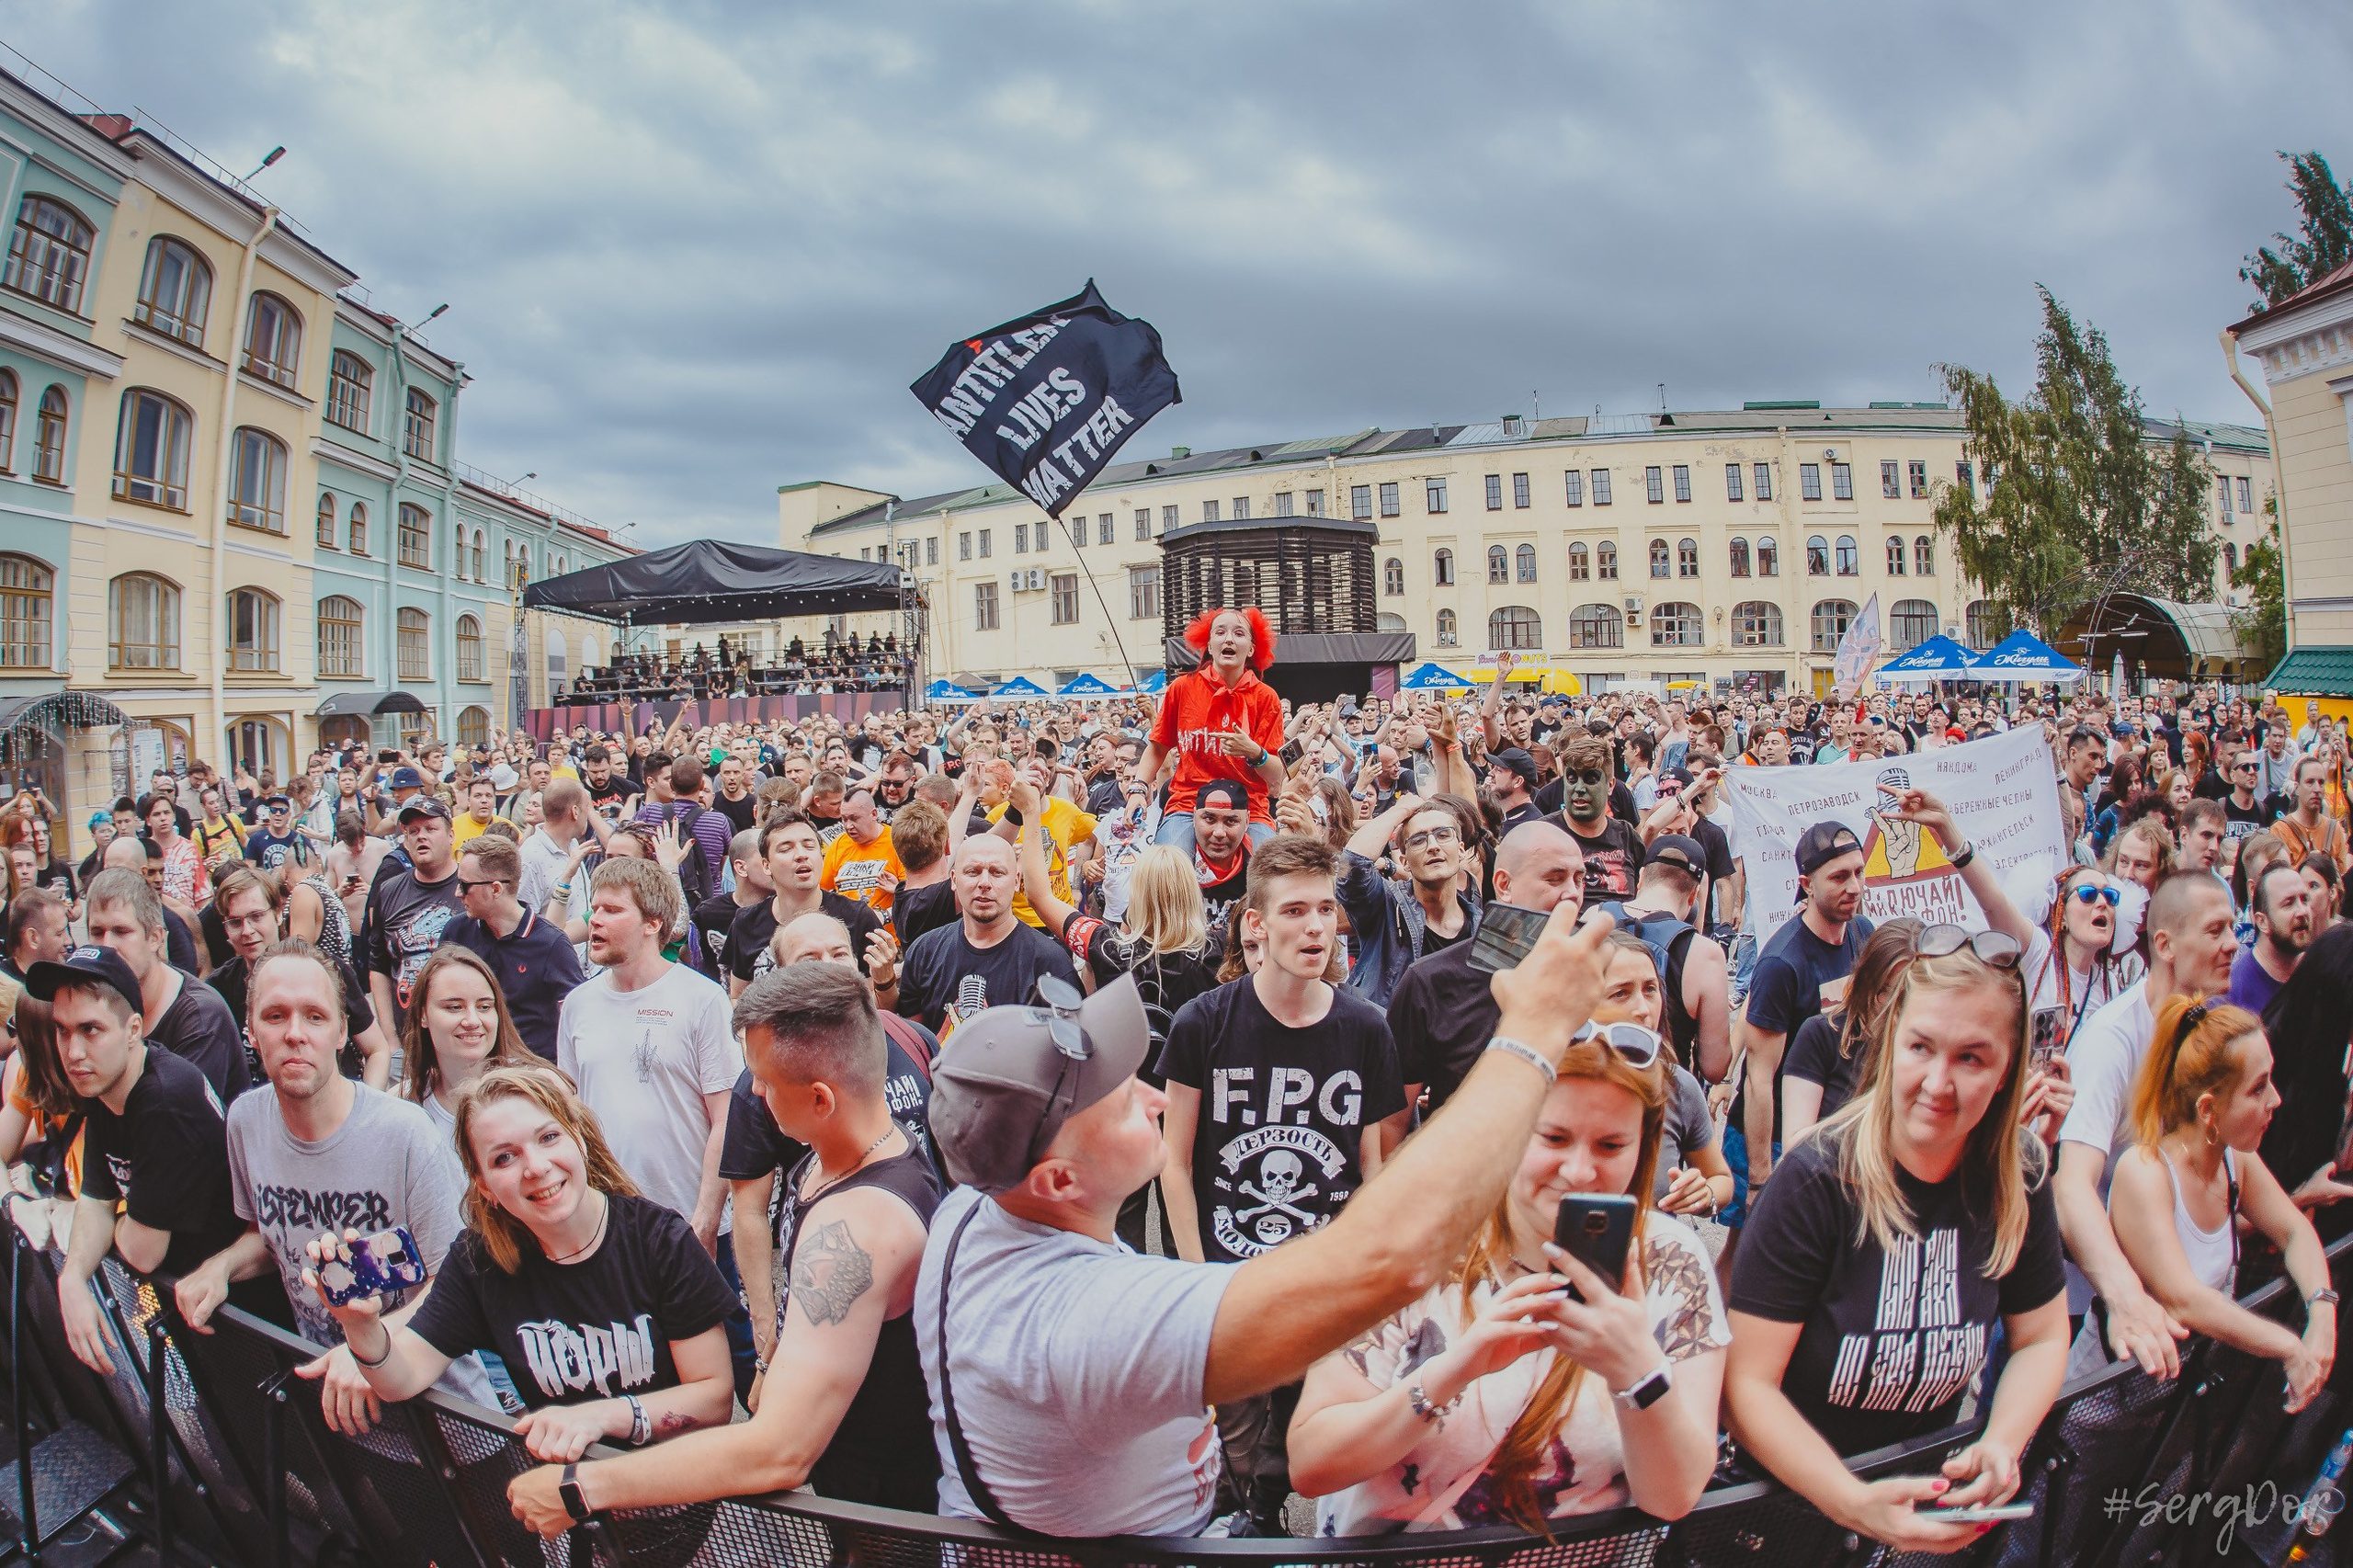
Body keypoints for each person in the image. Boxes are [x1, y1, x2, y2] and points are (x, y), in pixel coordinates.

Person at [912, 907, 1617, 1537]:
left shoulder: (974, 1203)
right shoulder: (1095, 1319)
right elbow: (1394, 1260)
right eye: (1125, 1102)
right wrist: (1533, 1033)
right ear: (1058, 1179)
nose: (1156, 1099)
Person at [506, 964, 942, 1536]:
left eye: (763, 1080)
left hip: (887, 1515)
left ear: (820, 1099)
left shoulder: (860, 1225)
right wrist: (774, 1360)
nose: (754, 1092)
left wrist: (582, 1489)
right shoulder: (838, 1153)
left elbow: (780, 1450)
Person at [1288, 1003, 1728, 1532]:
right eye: (1554, 1138)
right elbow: (1312, 1465)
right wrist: (1455, 1371)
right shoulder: (1414, 1243)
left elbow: (1673, 1498)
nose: (1580, 1171)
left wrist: (1636, 1371)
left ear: (1645, 1147)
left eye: (1612, 1145)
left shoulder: (1673, 1262)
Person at [1725, 923, 2069, 1554]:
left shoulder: (2018, 1174)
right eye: (1921, 1048)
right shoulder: (1816, 1181)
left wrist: (2001, 1442)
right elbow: (1744, 1386)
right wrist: (1850, 1501)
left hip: (1917, 1519)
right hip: (1783, 1525)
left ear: (2006, 1071)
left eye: (1972, 1057)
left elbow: (2042, 1336)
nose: (1939, 1083)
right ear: (1889, 1048)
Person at [1158, 833, 1409, 1529]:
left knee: (1300, 1431)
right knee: (1230, 1448)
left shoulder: (1366, 1029)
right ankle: (1246, 1520)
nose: (1315, 928)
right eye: (1295, 911)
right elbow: (1173, 1162)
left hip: (1324, 1276)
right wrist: (1194, 1274)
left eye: (1325, 910)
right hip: (1230, 1280)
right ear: (1257, 925)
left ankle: (1269, 1511)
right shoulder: (1202, 1023)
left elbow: (1372, 1165)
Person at [303, 1066, 737, 1464]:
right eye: (503, 1158)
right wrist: (360, 1327)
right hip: (574, 1510)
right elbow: (402, 1379)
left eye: (548, 1138)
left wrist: (602, 1418)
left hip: (688, 1500)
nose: (536, 1167)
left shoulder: (659, 1240)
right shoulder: (481, 1262)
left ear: (579, 1140)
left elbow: (714, 1398)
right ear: (484, 1186)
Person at [173, 938, 494, 1427]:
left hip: (442, 1417)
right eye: (275, 1016)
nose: (295, 1034)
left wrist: (371, 1348)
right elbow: (271, 1235)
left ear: (343, 1031)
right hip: (337, 1410)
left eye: (315, 1017)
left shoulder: (404, 1133)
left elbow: (454, 1280)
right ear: (251, 1032)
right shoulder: (245, 1121)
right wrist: (220, 1268)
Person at [2070, 997, 2335, 1400]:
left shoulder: (2236, 1159)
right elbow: (2185, 1300)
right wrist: (2289, 1347)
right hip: (2102, 1402)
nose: (2275, 1100)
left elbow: (2294, 1231)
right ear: (2208, 1109)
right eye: (2258, 1088)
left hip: (2173, 1402)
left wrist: (2322, 1309)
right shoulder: (2145, 1172)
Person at [36, 945, 278, 1375]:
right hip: (195, 1305)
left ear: (132, 1030)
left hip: (246, 1322)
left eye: (90, 1030)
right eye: (62, 1030)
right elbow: (96, 1199)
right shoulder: (104, 1082)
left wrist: (115, 1222)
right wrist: (72, 1279)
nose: (72, 1052)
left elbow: (143, 1252)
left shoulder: (164, 1099)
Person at [2056, 870, 2244, 1376]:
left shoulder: (2209, 1030)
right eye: (2215, 930)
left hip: (2171, 1302)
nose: (2232, 945)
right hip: (2090, 1303)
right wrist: (2124, 1296)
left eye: (2232, 929)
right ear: (2165, 944)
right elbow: (2072, 1183)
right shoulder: (2112, 1039)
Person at [1388, 822, 1585, 1121]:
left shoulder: (1601, 974)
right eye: (1555, 879)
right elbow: (1392, 1122)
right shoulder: (1430, 982)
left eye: (1580, 879)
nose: (1572, 893)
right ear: (1504, 885)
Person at [1729, 821, 1872, 1227]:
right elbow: (1758, 1078)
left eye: (1859, 873)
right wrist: (1759, 1178)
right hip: (1770, 1137)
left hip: (1832, 1129)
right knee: (1748, 1251)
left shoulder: (1862, 934)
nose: (1855, 887)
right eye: (1840, 877)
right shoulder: (1782, 963)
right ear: (1807, 884)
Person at [205, 865, 392, 1089]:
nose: (247, 930)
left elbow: (377, 1050)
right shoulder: (218, 989)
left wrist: (366, 1112)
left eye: (256, 916)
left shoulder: (327, 971)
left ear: (276, 914)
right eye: (235, 922)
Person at [84, 868, 248, 1101]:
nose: (107, 946)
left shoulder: (201, 1017)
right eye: (97, 932)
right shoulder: (97, 1001)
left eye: (121, 931)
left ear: (155, 938)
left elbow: (175, 1120)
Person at [1140, 607, 1287, 856]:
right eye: (1220, 632)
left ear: (1251, 648)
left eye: (1239, 633)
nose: (1229, 638)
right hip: (1188, 804)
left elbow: (1277, 776)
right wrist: (1138, 788)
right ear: (1209, 646)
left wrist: (1254, 752)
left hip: (1249, 808)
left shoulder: (1266, 697)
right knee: (1166, 871)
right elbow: (1157, 748)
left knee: (1272, 875)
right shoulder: (1182, 688)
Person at [894, 834, 1074, 1038]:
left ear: (1016, 881)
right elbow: (916, 1044)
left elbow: (1067, 1051)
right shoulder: (924, 952)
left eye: (997, 873)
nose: (984, 883)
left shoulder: (1050, 963)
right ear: (953, 880)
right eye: (973, 872)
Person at [1595, 835, 1732, 1080]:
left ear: (1642, 877)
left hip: (1596, 1081)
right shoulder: (1705, 954)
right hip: (1664, 1097)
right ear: (1694, 896)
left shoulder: (1595, 918)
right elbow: (1715, 1067)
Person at [444, 835, 586, 1062]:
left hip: (531, 1076)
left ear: (496, 889)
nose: (457, 893)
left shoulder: (551, 944)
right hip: (469, 1070)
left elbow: (579, 1022)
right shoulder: (457, 931)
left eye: (465, 885)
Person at [1337, 794, 1477, 1008]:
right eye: (1419, 840)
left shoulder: (1478, 924)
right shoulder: (1385, 906)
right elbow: (1352, 863)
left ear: (1460, 850)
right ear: (1404, 862)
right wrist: (1400, 810)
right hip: (1391, 1038)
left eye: (1443, 835)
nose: (1433, 846)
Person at [728, 811, 883, 997]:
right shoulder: (746, 923)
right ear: (766, 865)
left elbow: (875, 1003)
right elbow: (737, 997)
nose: (801, 855)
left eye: (809, 846)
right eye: (786, 849)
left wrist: (887, 978)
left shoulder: (859, 918)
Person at [401, 947, 541, 1137]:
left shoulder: (537, 1089)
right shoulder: (401, 1104)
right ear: (422, 1015)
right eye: (455, 1007)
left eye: (484, 1007)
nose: (473, 1021)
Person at [364, 796, 464, 1040]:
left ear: (450, 836)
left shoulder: (470, 884)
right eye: (413, 831)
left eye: (431, 829)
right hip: (409, 1037)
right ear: (405, 841)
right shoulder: (389, 890)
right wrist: (389, 1039)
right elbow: (378, 967)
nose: (421, 836)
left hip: (464, 1033)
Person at [1552, 736, 1643, 903]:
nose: (1579, 789)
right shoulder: (1545, 833)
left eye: (1590, 780)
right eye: (1572, 779)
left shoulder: (1627, 836)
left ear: (1610, 786)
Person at [2228, 860, 2313, 1017]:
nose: (2302, 911)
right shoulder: (2235, 992)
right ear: (2262, 921)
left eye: (2305, 900)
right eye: (2288, 904)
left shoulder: (2321, 974)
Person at [820, 787, 905, 913]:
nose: (849, 826)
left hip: (886, 929)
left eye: (854, 819)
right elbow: (822, 892)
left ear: (874, 814)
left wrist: (898, 890)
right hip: (849, 929)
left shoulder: (897, 842)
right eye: (844, 819)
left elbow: (915, 894)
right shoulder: (838, 845)